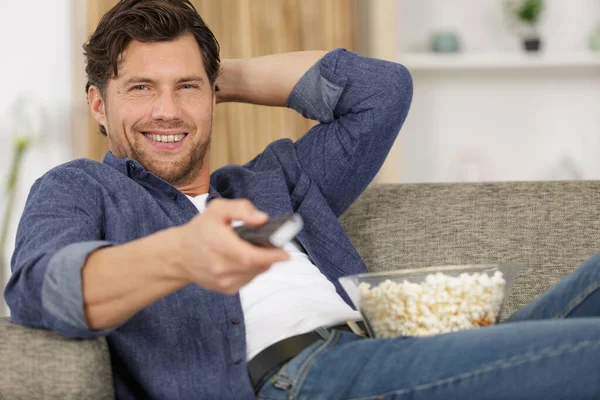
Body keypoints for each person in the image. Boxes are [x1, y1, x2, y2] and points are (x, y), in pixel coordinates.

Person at [4, 1, 600, 399]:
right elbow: (41, 288)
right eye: (140, 88)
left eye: (186, 88)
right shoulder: (80, 187)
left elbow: (381, 90)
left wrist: (214, 75)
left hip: (390, 356)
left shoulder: (273, 180)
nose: (167, 109)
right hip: (300, 380)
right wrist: (183, 255)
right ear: (98, 105)